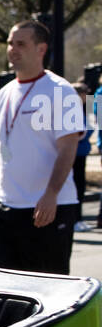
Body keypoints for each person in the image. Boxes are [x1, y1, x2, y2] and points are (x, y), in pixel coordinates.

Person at [0, 19, 82, 274]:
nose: (13, 49)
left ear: (41, 49)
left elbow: (68, 148)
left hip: (45, 209)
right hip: (2, 210)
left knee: (45, 290)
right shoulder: (3, 94)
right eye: (10, 43)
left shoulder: (61, 91)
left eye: (21, 44)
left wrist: (50, 194)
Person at [72, 81, 92, 230]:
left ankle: (78, 218)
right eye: (84, 93)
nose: (86, 96)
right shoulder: (70, 107)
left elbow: (91, 127)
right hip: (73, 152)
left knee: (80, 186)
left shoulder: (88, 106)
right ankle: (74, 219)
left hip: (82, 151)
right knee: (75, 186)